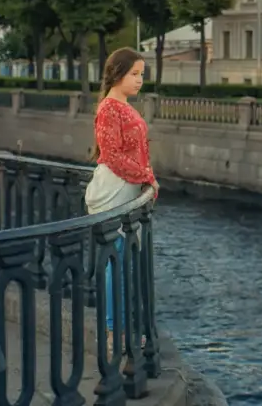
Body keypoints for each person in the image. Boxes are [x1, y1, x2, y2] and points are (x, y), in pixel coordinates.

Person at [84, 48, 158, 344]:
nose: (140, 80)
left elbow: (140, 150)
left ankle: (124, 327)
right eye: (135, 74)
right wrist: (147, 177)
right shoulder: (109, 108)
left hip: (127, 190)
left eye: (142, 74)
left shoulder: (125, 106)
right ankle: (114, 331)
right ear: (118, 74)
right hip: (114, 190)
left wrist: (147, 175)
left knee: (124, 262)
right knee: (117, 263)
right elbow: (111, 155)